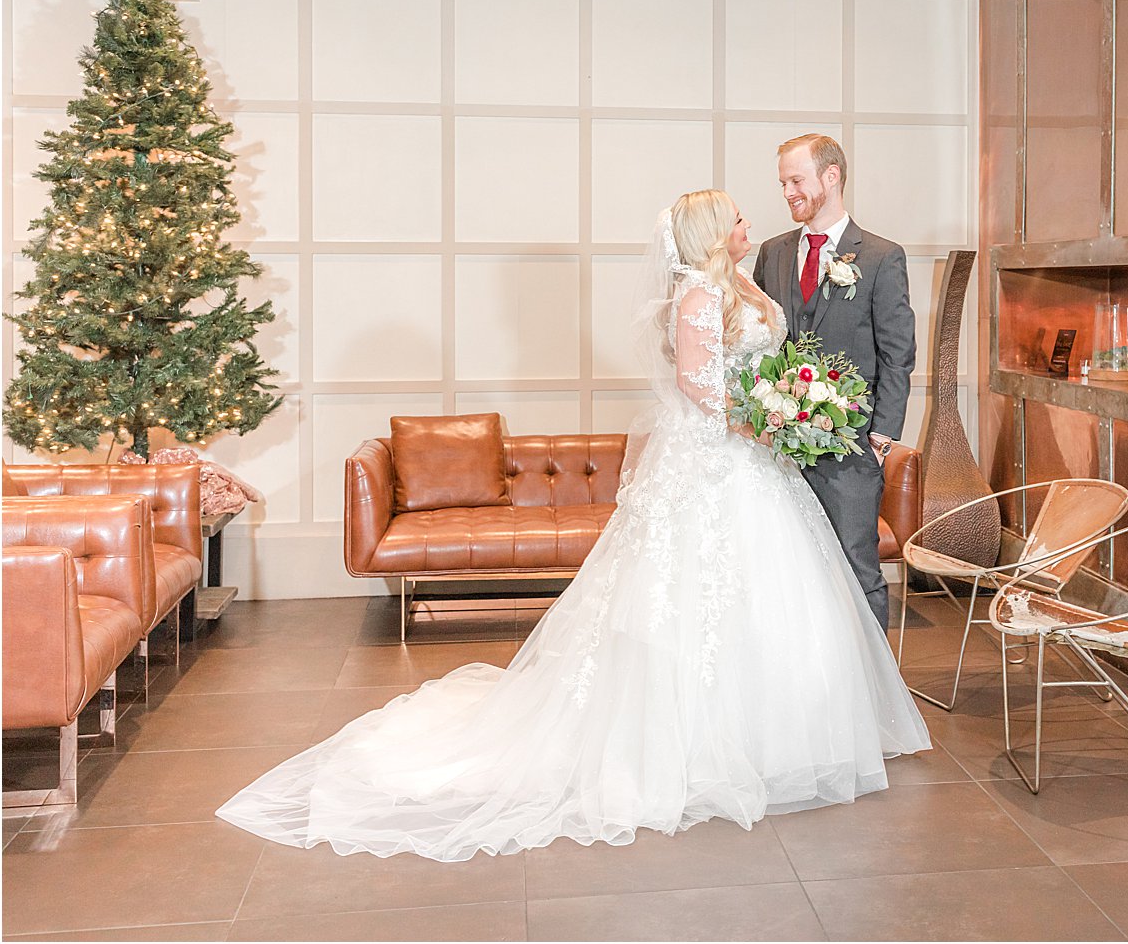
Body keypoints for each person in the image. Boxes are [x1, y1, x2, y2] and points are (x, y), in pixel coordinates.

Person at [216, 190, 931, 863]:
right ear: (714, 234)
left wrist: (792, 402)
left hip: (758, 466)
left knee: (775, 598)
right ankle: (692, 746)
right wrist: (769, 422)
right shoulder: (696, 297)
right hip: (717, 459)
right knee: (691, 598)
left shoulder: (746, 283)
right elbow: (700, 388)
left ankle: (787, 736)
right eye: (738, 220)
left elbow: (765, 362)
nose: (750, 225)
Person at [754, 135, 915, 633]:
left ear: (831, 177)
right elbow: (762, 343)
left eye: (796, 180)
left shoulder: (881, 257)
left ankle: (875, 695)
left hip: (850, 447)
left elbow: (897, 352)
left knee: (856, 567)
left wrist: (882, 433)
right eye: (783, 182)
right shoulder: (773, 253)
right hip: (779, 447)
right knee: (789, 571)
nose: (788, 192)